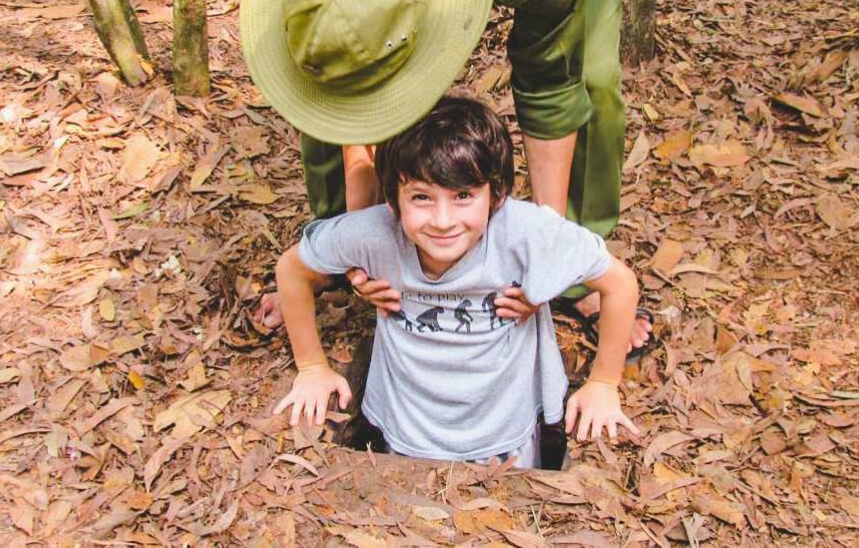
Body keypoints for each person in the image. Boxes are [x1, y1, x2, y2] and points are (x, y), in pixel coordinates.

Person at [241, 0, 653, 349]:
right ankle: (329, 255)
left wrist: (543, 254)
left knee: (590, 77)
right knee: (319, 69)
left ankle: (579, 275)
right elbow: (337, 87)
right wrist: (359, 245)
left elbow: (551, 85)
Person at [271, 98, 641, 466]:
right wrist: (312, 367)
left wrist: (604, 385)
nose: (443, 220)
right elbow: (292, 269)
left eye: (463, 196)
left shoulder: (524, 232)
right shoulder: (376, 234)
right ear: (392, 200)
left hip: (507, 436)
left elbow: (620, 284)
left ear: (496, 195)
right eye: (421, 197)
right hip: (403, 433)